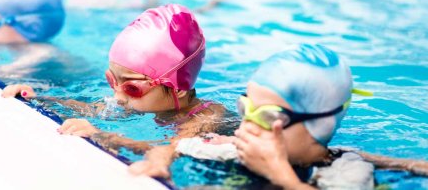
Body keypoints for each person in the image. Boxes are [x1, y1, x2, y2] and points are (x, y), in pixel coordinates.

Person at [2, 4, 228, 176]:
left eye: (132, 88)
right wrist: (38, 99)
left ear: (178, 88)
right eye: (112, 81)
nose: (117, 97)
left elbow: (165, 150)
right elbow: (91, 109)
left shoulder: (206, 116)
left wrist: (99, 135)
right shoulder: (139, 102)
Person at [183, 44, 428, 188]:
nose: (247, 127)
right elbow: (174, 147)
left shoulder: (348, 171)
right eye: (246, 109)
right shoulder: (239, 150)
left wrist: (280, 174)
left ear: (318, 126)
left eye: (269, 118)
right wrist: (158, 161)